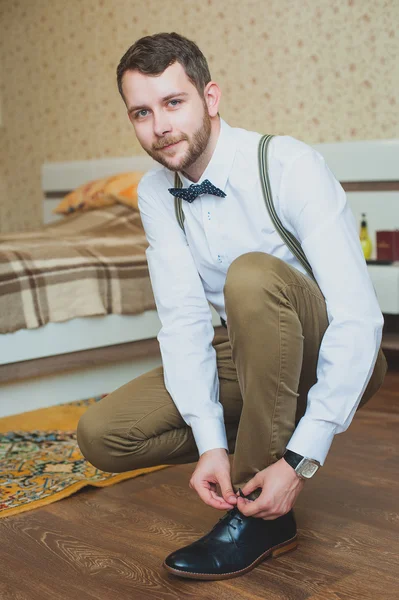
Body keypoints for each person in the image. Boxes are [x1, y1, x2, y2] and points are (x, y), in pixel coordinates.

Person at [76, 31, 387, 581]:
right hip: (247, 354)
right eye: (141, 112)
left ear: (210, 98)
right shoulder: (155, 193)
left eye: (174, 103)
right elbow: (184, 321)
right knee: (103, 434)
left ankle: (258, 514)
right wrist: (209, 443)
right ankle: (244, 455)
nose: (160, 126)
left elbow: (360, 319)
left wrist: (301, 459)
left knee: (250, 275)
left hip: (329, 348)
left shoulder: (288, 164)